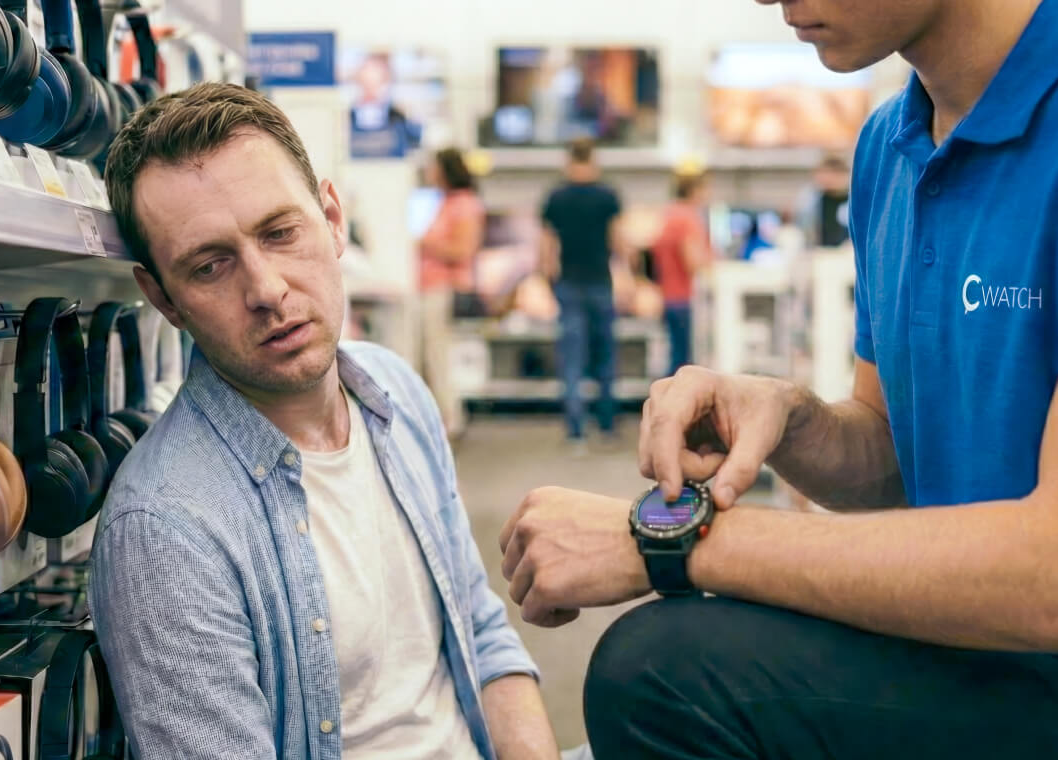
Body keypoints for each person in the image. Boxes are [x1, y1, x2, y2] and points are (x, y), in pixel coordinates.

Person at [500, 0, 1058, 757]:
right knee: (666, 658)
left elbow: (1048, 576)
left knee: (660, 670)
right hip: (979, 654)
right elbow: (895, 461)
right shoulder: (886, 147)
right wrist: (793, 419)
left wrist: (669, 542)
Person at [92, 83, 557, 760]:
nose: (267, 289)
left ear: (332, 219)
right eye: (211, 265)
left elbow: (479, 629)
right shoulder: (164, 530)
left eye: (281, 233)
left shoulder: (396, 393)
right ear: (163, 298)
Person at [540, 137, 623, 443]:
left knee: (572, 357)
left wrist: (547, 279)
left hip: (569, 283)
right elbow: (618, 240)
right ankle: (607, 423)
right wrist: (630, 276)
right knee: (605, 355)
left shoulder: (557, 197)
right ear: (593, 158)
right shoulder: (607, 196)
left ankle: (575, 427)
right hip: (601, 281)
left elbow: (548, 245)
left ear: (569, 159)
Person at [417, 148, 486, 439]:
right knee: (432, 356)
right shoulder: (445, 202)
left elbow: (464, 249)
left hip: (445, 289)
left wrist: (424, 244)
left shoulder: (465, 205)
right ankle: (441, 416)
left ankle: (450, 418)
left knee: (439, 357)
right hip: (430, 288)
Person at [650, 169, 713, 375]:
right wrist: (712, 261)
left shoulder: (667, 215)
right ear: (695, 190)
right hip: (684, 296)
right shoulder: (688, 218)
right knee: (684, 364)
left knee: (676, 355)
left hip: (668, 294)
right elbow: (692, 261)